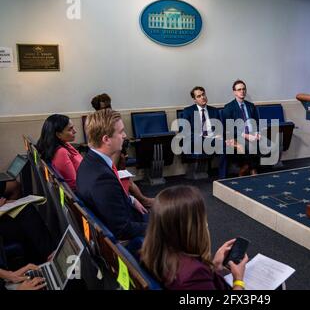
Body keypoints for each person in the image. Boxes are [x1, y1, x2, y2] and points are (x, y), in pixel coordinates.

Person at [141, 185, 248, 290]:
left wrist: (214, 266)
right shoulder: (194, 275)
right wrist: (238, 281)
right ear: (193, 229)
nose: (206, 224)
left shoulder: (151, 254)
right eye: (203, 220)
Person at [76, 109, 148, 240]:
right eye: (121, 132)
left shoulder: (89, 161)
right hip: (128, 237)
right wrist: (158, 227)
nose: (125, 135)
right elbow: (122, 230)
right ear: (106, 139)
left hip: (126, 215)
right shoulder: (102, 179)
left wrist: (131, 199)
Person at [222, 79, 261, 177]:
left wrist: (257, 133)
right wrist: (246, 136)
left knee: (269, 145)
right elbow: (229, 129)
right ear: (234, 92)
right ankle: (252, 169)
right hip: (238, 137)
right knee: (250, 146)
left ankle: (245, 168)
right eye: (239, 89)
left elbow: (257, 123)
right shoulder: (228, 108)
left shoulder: (251, 106)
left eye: (243, 89)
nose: (242, 91)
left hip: (253, 135)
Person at [36, 114, 82, 190]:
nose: (75, 131)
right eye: (70, 129)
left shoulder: (63, 144)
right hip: (81, 192)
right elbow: (73, 183)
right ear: (58, 134)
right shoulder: (61, 152)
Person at [182, 86, 221, 152]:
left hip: (213, 138)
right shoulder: (188, 111)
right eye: (199, 96)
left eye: (203, 94)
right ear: (194, 100)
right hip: (198, 141)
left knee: (225, 143)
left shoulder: (214, 110)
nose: (202, 97)